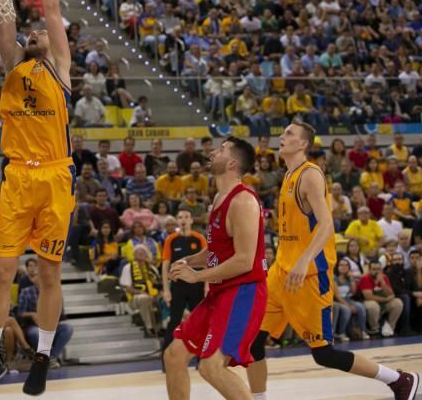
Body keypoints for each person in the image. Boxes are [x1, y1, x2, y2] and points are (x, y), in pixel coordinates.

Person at [0, 0, 76, 399]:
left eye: (40, 33)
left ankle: (42, 358)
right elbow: (4, 16)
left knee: (49, 273)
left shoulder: (58, 69)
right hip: (17, 178)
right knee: (2, 272)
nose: (35, 34)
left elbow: (51, 7)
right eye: (30, 34)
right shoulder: (12, 64)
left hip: (56, 178)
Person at [247, 123, 419, 400]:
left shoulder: (311, 174)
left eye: (289, 134)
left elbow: (327, 224)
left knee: (324, 354)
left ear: (303, 144)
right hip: (281, 273)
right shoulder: (288, 174)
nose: (281, 137)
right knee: (251, 341)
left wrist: (303, 261)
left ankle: (400, 380)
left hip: (309, 276)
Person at [164, 137, 267, 400]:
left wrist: (197, 276)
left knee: (211, 367)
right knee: (174, 355)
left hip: (243, 293)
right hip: (221, 293)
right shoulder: (219, 197)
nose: (212, 152)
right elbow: (216, 251)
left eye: (221, 150)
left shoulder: (243, 201)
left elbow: (244, 260)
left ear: (232, 162)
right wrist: (190, 261)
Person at [161, 209, 207, 350]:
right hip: (178, 285)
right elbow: (165, 266)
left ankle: (201, 358)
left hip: (197, 284)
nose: (183, 220)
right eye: (180, 217)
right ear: (177, 221)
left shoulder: (199, 238)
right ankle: (166, 358)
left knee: (199, 321)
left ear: (191, 220)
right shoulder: (171, 239)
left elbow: (208, 263)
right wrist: (166, 290)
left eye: (186, 217)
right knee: (174, 321)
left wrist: (207, 286)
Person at [120, 244, 160, 338]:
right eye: (138, 252)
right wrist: (142, 292)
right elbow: (128, 288)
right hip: (135, 298)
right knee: (144, 298)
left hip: (154, 295)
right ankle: (149, 328)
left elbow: (159, 284)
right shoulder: (128, 267)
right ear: (133, 254)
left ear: (147, 255)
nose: (140, 253)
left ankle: (164, 327)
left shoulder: (153, 269)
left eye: (143, 251)